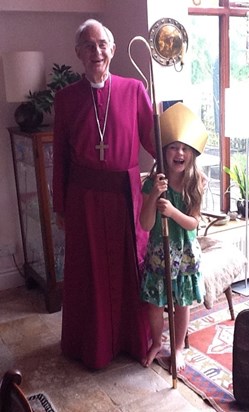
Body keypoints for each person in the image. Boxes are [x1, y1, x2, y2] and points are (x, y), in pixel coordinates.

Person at [52, 19, 155, 369]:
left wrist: (178, 159)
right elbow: (61, 159)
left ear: (112, 49)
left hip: (127, 197)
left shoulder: (134, 89)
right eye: (88, 45)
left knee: (131, 269)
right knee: (89, 272)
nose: (96, 51)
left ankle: (131, 340)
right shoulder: (65, 99)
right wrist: (60, 205)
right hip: (83, 198)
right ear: (78, 53)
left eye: (102, 44)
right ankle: (93, 346)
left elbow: (152, 141)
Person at [140, 102, 208, 371]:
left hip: (186, 252)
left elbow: (192, 223)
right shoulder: (152, 182)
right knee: (156, 302)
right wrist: (155, 196)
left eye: (184, 148)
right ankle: (157, 342)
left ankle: (178, 347)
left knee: (181, 302)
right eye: (173, 147)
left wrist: (172, 211)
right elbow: (145, 225)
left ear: (191, 153)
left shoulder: (195, 182)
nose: (179, 152)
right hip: (159, 252)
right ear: (164, 151)